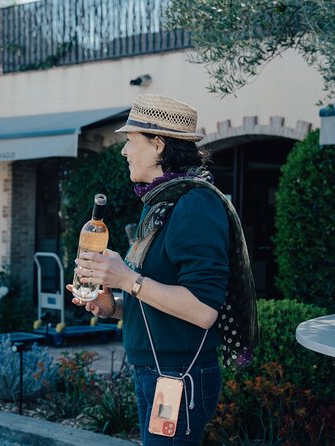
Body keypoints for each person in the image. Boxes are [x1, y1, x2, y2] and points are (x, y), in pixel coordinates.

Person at [66, 94, 258, 445]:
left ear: (158, 144)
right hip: (156, 370)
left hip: (178, 376)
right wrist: (113, 305)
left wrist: (125, 277)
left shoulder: (195, 204)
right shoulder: (162, 203)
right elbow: (157, 297)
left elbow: (202, 310)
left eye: (130, 140)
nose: (124, 151)